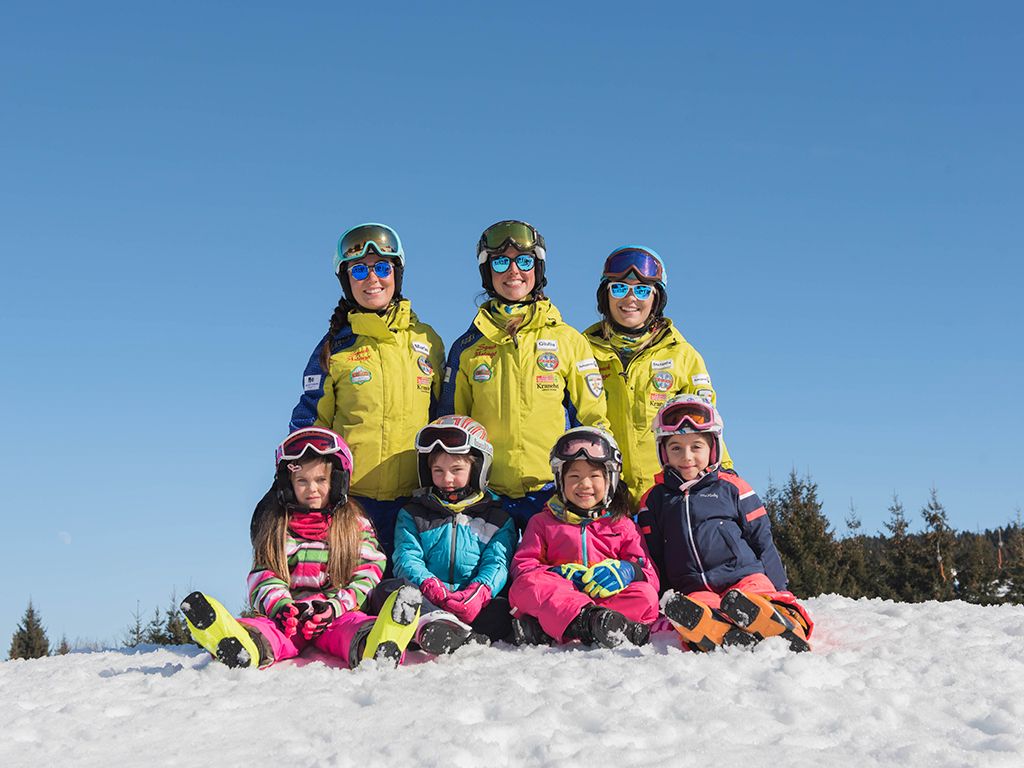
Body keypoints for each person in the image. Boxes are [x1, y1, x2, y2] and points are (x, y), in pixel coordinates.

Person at [181, 427, 422, 669]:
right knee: (269, 632)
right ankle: (238, 644)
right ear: (289, 484)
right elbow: (265, 575)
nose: (312, 489)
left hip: (337, 615)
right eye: (302, 481)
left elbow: (367, 573)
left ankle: (380, 643)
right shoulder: (278, 527)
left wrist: (335, 606)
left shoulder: (354, 524)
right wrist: (282, 607)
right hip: (289, 619)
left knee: (353, 629)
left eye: (321, 480)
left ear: (337, 481)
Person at [284, 223, 445, 560]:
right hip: (351, 506)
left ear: (396, 274)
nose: (372, 279)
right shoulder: (334, 348)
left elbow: (444, 417)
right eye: (359, 270)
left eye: (382, 267)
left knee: (409, 602)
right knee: (356, 599)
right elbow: (309, 427)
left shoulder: (428, 342)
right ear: (347, 281)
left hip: (415, 507)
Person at [441, 220, 609, 529]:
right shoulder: (466, 347)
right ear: (487, 273)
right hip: (486, 498)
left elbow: (593, 422)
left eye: (525, 261)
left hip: (553, 495)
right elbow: (451, 425)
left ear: (539, 268)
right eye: (501, 262)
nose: (513, 271)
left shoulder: (568, 341)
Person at [636, 395, 813, 652]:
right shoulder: (654, 500)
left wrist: (781, 588)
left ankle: (785, 626)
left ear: (713, 448)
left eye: (696, 447)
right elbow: (654, 556)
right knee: (695, 613)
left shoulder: (732, 488)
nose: (687, 457)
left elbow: (762, 540)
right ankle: (719, 633)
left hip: (744, 576)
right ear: (663, 452)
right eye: (676, 448)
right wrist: (662, 599)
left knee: (759, 600)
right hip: (694, 587)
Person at [583, 245, 734, 504]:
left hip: (668, 495)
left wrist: (727, 474)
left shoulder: (682, 356)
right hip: (603, 496)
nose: (630, 299)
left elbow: (706, 426)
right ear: (604, 296)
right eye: (619, 288)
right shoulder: (581, 350)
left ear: (656, 299)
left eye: (642, 290)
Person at [508, 427, 659, 648]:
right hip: (561, 597)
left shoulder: (623, 525)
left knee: (645, 594)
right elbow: (524, 567)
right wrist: (557, 574)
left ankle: (559, 628)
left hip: (607, 598)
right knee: (525, 586)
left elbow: (649, 575)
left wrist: (628, 571)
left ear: (611, 480)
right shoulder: (542, 522)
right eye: (574, 476)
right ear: (560, 480)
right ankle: (600, 624)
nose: (585, 484)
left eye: (595, 476)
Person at [391, 415, 518, 654]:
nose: (446, 479)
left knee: (505, 607)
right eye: (438, 470)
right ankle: (435, 628)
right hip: (428, 597)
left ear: (478, 469)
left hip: (472, 599)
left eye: (456, 469)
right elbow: (406, 557)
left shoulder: (497, 518)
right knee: (391, 592)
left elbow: (497, 561)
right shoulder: (413, 513)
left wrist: (479, 591)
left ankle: (458, 634)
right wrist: (429, 585)